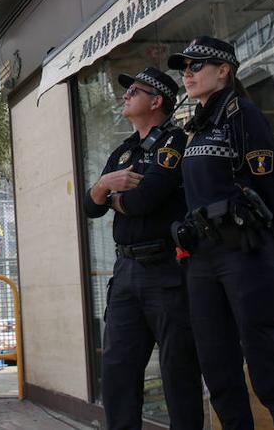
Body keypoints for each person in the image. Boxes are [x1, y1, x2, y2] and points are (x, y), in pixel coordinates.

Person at [168, 37, 274, 430]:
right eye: (185, 67)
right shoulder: (194, 124)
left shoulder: (243, 115)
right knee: (217, 370)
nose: (188, 73)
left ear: (224, 70)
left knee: (267, 369)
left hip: (245, 253)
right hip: (203, 259)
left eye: (197, 66)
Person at [83, 67, 203, 430]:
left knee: (178, 371)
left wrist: (110, 196)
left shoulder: (175, 142)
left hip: (167, 269)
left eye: (134, 90)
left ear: (156, 101)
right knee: (118, 370)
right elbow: (90, 207)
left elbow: (145, 200)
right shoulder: (123, 152)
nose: (125, 95)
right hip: (127, 273)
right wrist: (106, 184)